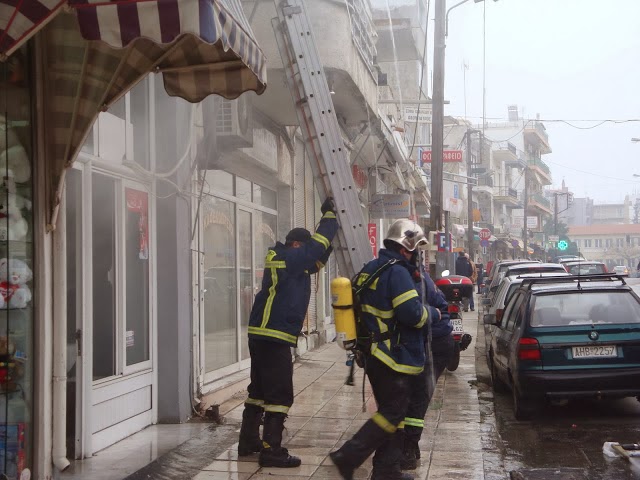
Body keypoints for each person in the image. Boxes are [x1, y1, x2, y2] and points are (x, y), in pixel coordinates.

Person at [330, 219, 439, 480]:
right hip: (392, 355)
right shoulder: (398, 272)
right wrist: (433, 313)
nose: (417, 256)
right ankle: (348, 456)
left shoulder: (372, 267)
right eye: (415, 250)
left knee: (394, 412)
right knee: (393, 412)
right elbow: (412, 315)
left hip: (374, 353)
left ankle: (386, 469)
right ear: (405, 247)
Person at [237, 197, 338, 468]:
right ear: (296, 245)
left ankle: (248, 441)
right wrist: (330, 216)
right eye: (305, 248)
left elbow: (317, 256)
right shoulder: (286, 257)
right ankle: (272, 450)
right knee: (280, 394)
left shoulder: (292, 263)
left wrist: (331, 238)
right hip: (274, 336)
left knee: (258, 389)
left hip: (263, 335)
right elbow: (314, 249)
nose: (308, 254)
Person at [400, 269, 452, 470]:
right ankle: (409, 446)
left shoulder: (411, 278)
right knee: (410, 396)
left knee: (418, 398)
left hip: (434, 343)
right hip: (427, 341)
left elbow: (412, 314)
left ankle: (409, 449)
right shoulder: (410, 274)